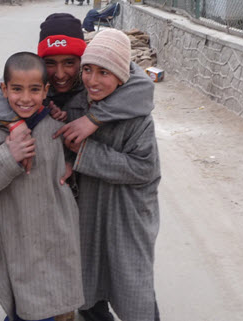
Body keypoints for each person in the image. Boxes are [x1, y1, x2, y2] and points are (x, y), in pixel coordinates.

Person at [0, 52, 84, 321]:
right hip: (13, 241)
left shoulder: (56, 128)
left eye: (34, 90)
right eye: (17, 89)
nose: (25, 98)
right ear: (4, 89)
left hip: (56, 238)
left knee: (55, 307)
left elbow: (66, 172)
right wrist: (9, 156)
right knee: (26, 310)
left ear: (45, 91)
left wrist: (70, 165)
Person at [0, 13, 154, 177]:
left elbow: (143, 86)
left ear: (83, 60)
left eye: (69, 62)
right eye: (50, 63)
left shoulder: (92, 84)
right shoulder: (34, 83)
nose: (59, 74)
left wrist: (93, 118)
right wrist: (14, 122)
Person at [64, 28, 161, 321]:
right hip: (88, 213)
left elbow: (144, 168)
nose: (93, 80)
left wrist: (84, 154)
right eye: (88, 70)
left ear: (121, 77)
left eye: (104, 72)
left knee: (134, 289)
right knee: (88, 285)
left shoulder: (138, 120)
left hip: (126, 215)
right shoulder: (80, 104)